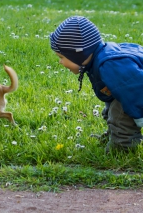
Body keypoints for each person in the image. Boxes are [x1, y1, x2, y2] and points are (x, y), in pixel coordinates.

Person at [49, 16, 143, 153]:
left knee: (120, 115)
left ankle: (122, 148)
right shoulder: (97, 59)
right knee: (111, 108)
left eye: (62, 57)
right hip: (132, 89)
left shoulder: (110, 65)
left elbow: (136, 91)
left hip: (137, 92)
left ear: (78, 54)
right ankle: (114, 136)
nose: (60, 62)